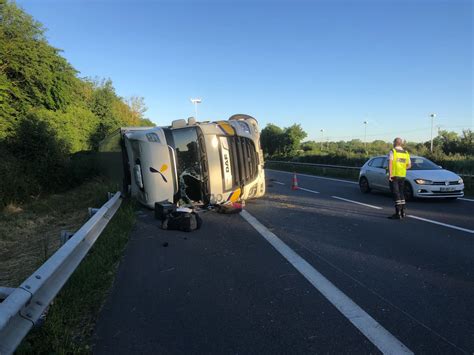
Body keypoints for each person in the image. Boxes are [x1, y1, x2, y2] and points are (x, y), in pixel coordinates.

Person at [388, 137, 411, 219]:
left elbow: (390, 163)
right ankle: (403, 212)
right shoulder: (406, 153)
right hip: (402, 175)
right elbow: (409, 165)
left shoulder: (393, 151)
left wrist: (390, 174)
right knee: (401, 193)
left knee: (396, 193)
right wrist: (402, 168)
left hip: (394, 175)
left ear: (395, 143)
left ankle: (398, 213)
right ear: (401, 143)